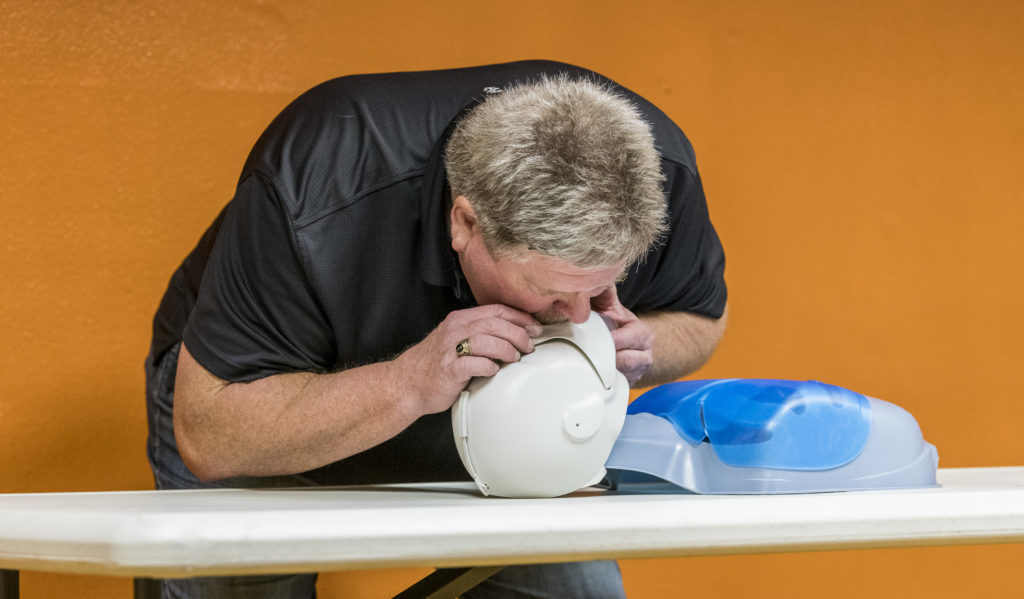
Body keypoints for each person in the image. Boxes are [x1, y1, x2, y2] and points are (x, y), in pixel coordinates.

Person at [145, 60, 727, 598]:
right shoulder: (321, 175)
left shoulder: (652, 169)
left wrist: (645, 347)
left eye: (600, 286)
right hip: (276, 399)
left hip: (513, 430)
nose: (580, 316)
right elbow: (211, 435)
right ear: (465, 222)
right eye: (552, 293)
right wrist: (409, 382)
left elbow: (699, 318)